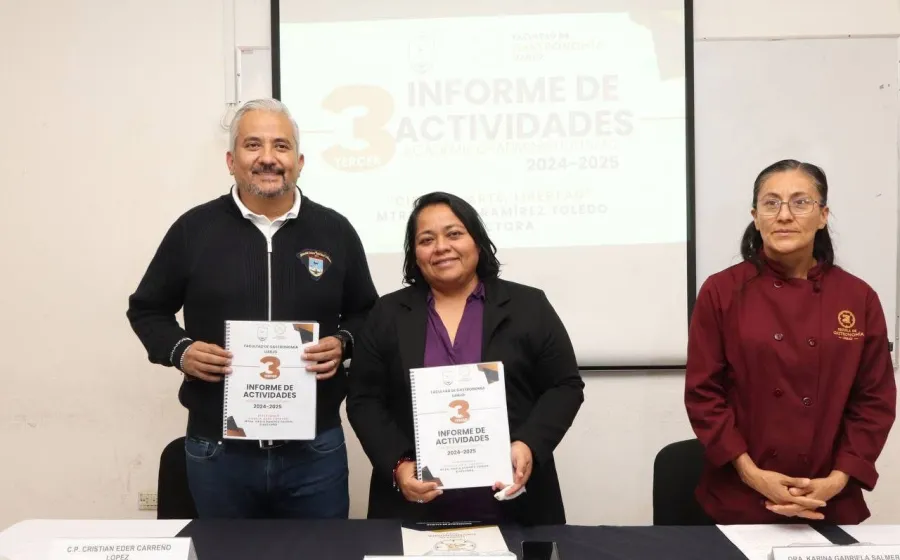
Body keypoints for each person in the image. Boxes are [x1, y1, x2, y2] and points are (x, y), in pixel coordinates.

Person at [126, 98, 378, 519]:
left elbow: (366, 313)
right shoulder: (194, 230)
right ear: (231, 159)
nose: (267, 158)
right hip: (218, 450)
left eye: (280, 146)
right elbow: (147, 309)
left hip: (315, 450)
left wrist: (343, 343)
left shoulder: (335, 230)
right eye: (252, 145)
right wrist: (181, 351)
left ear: (299, 161)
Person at [346, 191, 585, 526]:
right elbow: (364, 399)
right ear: (415, 254)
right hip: (415, 507)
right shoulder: (386, 314)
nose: (441, 246)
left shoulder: (529, 306)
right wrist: (399, 465)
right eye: (427, 239)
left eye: (454, 234)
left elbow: (565, 386)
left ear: (477, 241)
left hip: (512, 503)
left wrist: (529, 444)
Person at [685, 159, 897, 524]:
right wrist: (752, 474)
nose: (784, 215)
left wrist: (838, 478)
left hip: (828, 500)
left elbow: (874, 400)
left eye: (800, 202)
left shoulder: (857, 297)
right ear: (755, 216)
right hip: (740, 499)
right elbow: (704, 394)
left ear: (823, 215)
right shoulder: (721, 291)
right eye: (771, 203)